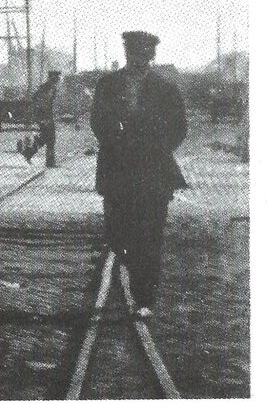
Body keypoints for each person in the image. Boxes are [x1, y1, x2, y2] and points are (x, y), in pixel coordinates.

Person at [91, 31, 187, 319]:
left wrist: (155, 147)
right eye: (134, 55)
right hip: (118, 171)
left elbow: (179, 128)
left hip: (153, 174)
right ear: (126, 54)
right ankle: (130, 269)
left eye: (145, 56)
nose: (139, 61)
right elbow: (97, 121)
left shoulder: (165, 89)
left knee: (150, 237)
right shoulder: (108, 85)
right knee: (118, 235)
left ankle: (145, 299)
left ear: (152, 57)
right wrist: (116, 139)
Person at [20, 70, 61, 165]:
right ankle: (49, 161)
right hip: (45, 117)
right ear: (52, 78)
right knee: (50, 139)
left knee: (45, 138)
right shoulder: (46, 88)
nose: (58, 79)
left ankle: (29, 152)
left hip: (47, 117)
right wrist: (44, 119)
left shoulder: (51, 88)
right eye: (57, 77)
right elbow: (41, 104)